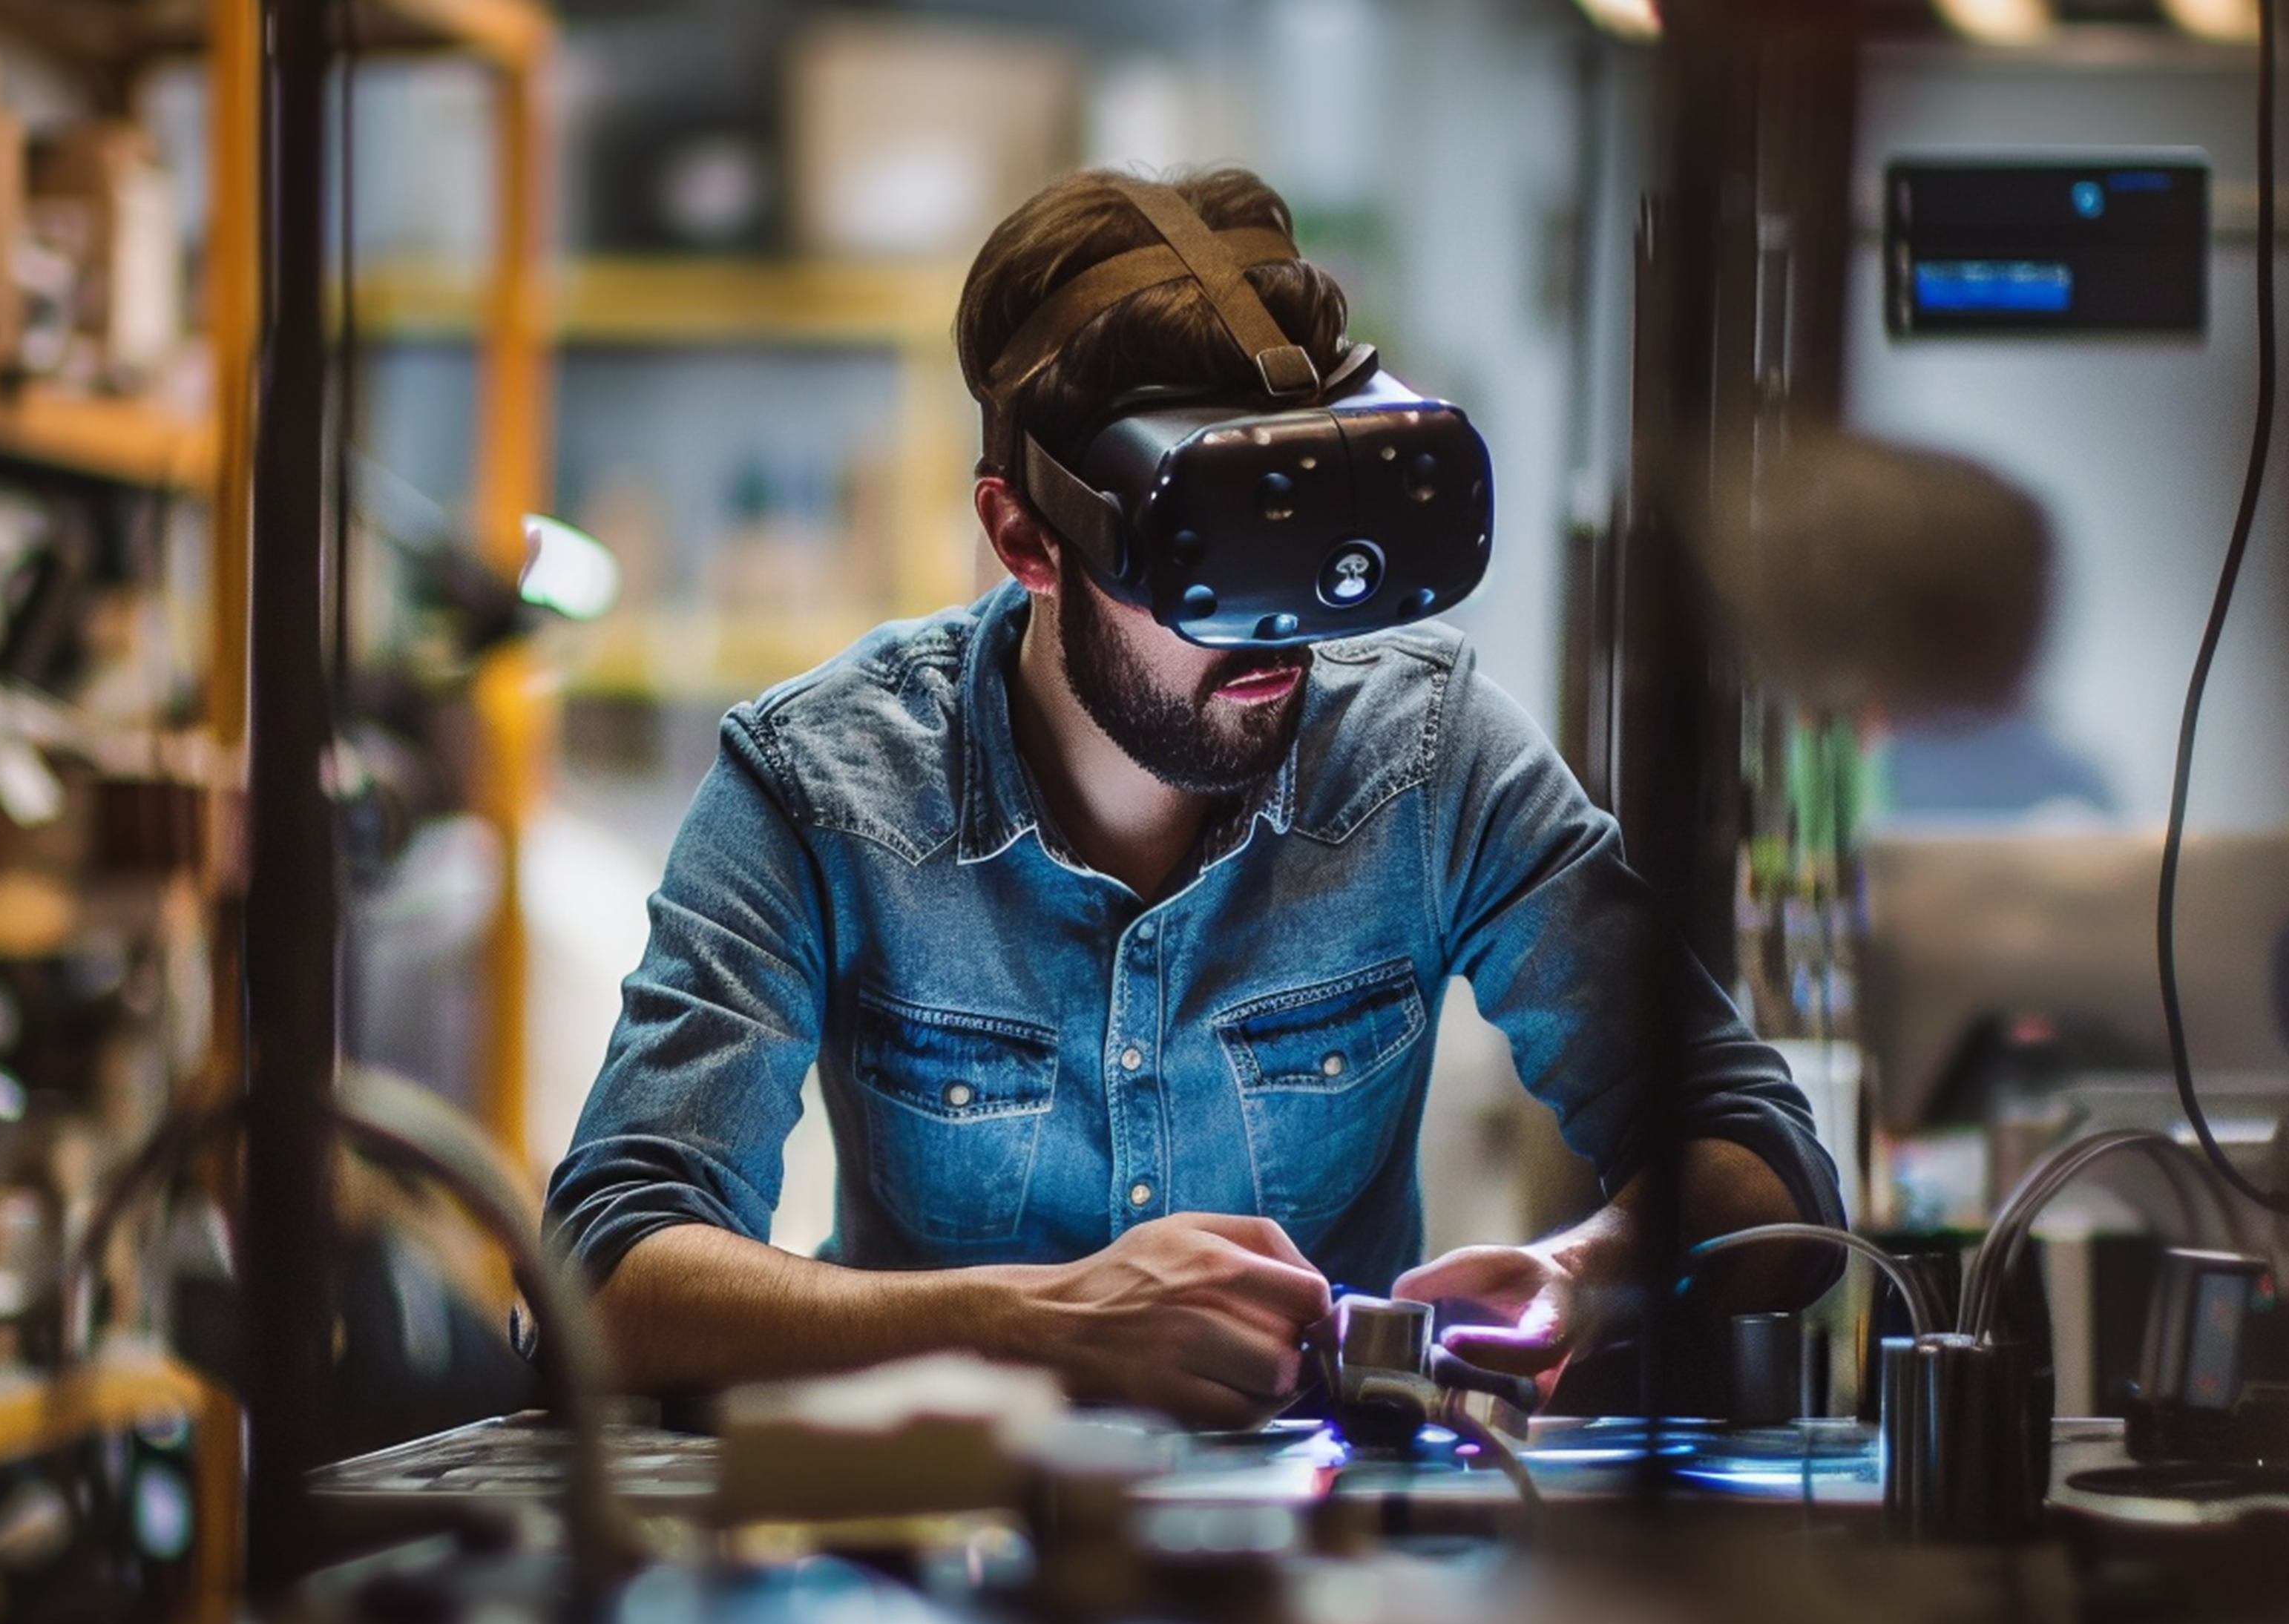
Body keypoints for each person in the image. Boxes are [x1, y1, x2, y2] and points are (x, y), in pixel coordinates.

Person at [544, 166, 1842, 1427]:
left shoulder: (1428, 758)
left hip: (1326, 1573)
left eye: (1305, 540)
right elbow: (606, 1273)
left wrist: (1584, 1278)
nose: (1278, 636)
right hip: (935, 1553)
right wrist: (1041, 1323)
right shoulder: (820, 785)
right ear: (1026, 538)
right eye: (1211, 561)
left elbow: (1763, 1165)